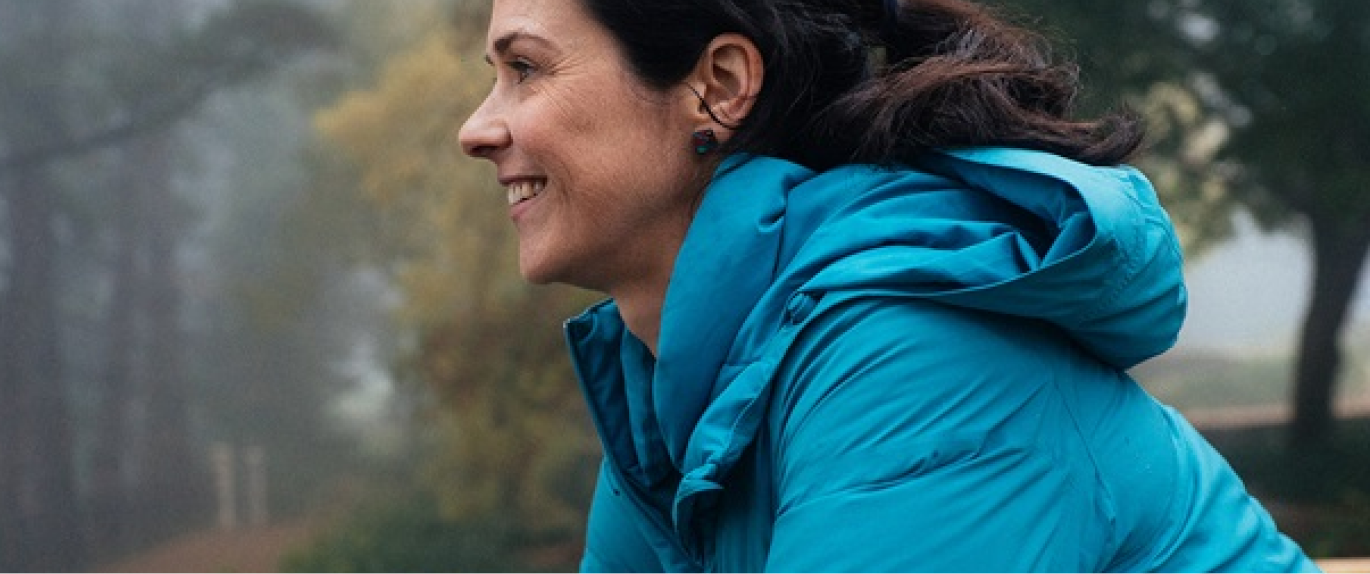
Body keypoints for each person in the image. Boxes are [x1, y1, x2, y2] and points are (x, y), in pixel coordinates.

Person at [457, 0, 1322, 572]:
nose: (476, 128)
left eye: (526, 68)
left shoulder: (912, 356)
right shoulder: (671, 378)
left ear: (716, 88)